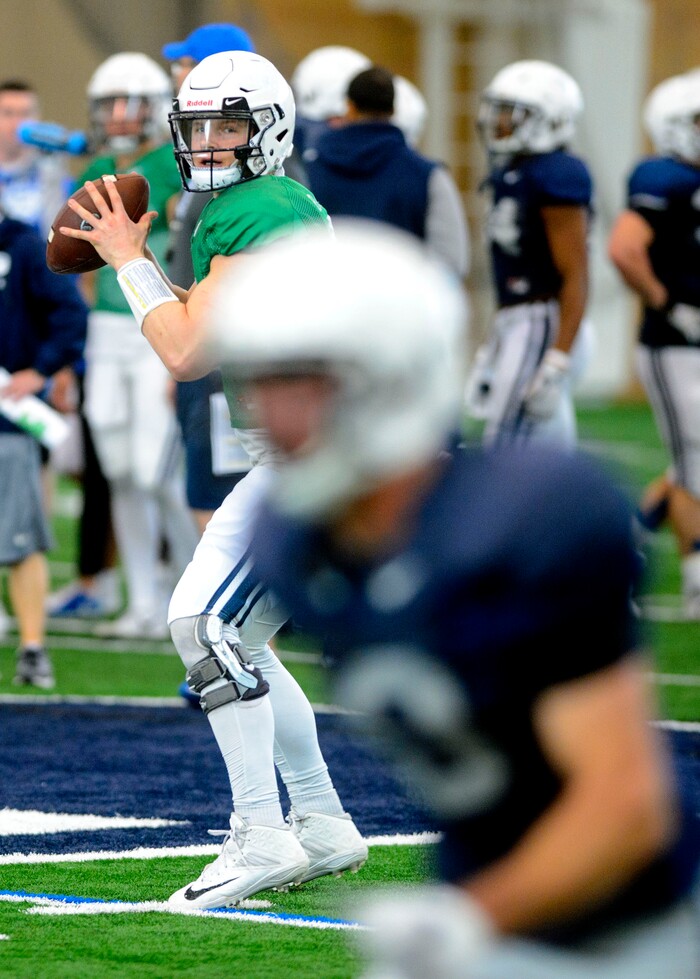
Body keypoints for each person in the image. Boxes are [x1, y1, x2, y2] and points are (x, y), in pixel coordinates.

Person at [206, 220, 700, 979]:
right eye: (262, 379)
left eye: (302, 382)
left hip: (632, 932)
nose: (274, 412)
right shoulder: (296, 536)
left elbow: (627, 802)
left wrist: (476, 915)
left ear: (394, 375)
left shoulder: (533, 517)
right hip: (481, 891)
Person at [58, 49, 367, 908]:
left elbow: (187, 351)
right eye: (198, 126)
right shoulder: (266, 203)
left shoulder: (256, 204)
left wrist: (127, 254)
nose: (209, 142)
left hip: (314, 452)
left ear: (268, 129)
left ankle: (261, 832)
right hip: (312, 446)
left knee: (200, 622)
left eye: (228, 125)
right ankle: (321, 819)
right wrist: (151, 265)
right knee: (240, 636)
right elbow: (205, 320)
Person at [77, 52, 198, 639]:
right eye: (110, 106)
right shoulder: (97, 164)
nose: (120, 117)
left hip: (150, 314)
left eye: (131, 104)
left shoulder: (170, 167)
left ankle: (190, 592)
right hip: (104, 324)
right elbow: (81, 255)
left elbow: (186, 229)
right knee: (121, 468)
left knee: (157, 470)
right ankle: (141, 601)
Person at [608, 70, 700, 619]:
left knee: (691, 459)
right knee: (693, 463)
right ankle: (695, 577)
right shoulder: (662, 176)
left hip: (690, 342)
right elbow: (625, 248)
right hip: (674, 344)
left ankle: (629, 537)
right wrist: (666, 302)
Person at [161, 21, 257, 537]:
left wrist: (129, 259)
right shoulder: (212, 175)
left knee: (221, 503)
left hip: (229, 364)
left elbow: (185, 354)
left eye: (186, 65)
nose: (177, 75)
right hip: (213, 353)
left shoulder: (249, 188)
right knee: (207, 491)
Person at [471, 59, 594, 447]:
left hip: (544, 321)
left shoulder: (557, 174)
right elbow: (510, 275)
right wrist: (491, 347)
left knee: (505, 445)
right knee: (551, 448)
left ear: (550, 119)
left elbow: (575, 274)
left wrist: (557, 360)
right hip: (520, 320)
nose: (498, 120)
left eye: (511, 111)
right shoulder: (513, 169)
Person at [0, 207, 87, 687]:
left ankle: (33, 648)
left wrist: (43, 367)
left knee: (19, 539)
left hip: (7, 417)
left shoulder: (24, 244)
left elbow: (70, 312)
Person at [304, 65, 469, 279]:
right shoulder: (427, 176)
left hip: (325, 305)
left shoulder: (308, 168)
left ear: (349, 107)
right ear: (393, 111)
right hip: (400, 308)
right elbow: (452, 263)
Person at [0, 79, 73, 237]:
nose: (17, 123)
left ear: (37, 117)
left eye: (25, 114)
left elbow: (57, 237)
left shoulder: (53, 169)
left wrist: (53, 172)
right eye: (8, 113)